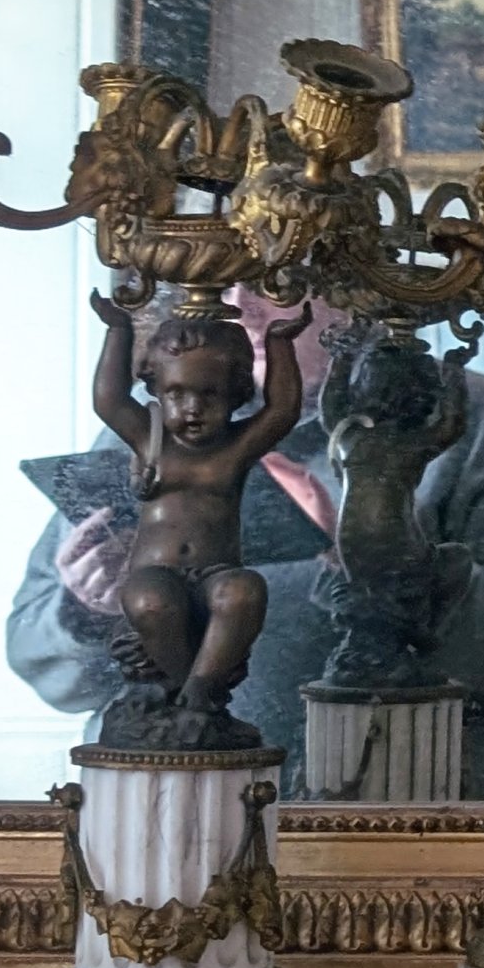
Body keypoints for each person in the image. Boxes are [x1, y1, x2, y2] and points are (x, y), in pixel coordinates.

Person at [8, 287, 484, 799]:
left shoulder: (460, 412)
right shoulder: (152, 434)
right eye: (221, 286)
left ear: (345, 292)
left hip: (419, 807)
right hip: (177, 804)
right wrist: (87, 610)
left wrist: (409, 577)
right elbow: (37, 659)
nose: (241, 308)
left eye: (273, 283)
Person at [83, 289, 310, 725]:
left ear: (235, 394)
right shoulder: (149, 439)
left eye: (210, 395)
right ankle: (188, 692)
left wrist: (280, 343)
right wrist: (118, 330)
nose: (192, 408)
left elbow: (282, 410)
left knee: (244, 591)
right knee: (150, 602)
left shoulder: (235, 449)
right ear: (156, 390)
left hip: (215, 572)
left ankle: (201, 689)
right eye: (176, 394)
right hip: (156, 570)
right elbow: (108, 400)